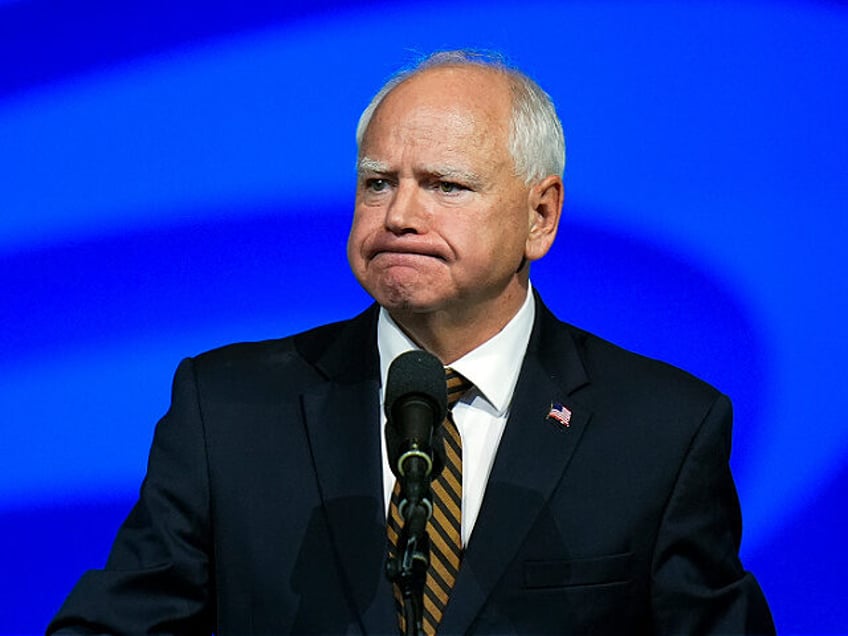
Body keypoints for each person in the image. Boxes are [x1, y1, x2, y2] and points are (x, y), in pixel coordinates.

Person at [48, 50, 774, 634]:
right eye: (376, 183)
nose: (399, 214)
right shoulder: (227, 408)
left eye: (445, 185)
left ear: (540, 216)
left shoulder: (662, 428)